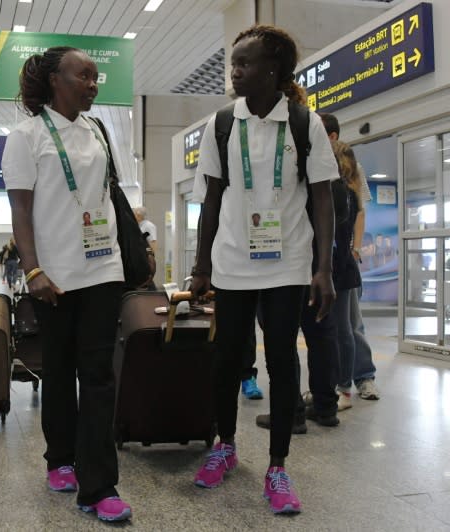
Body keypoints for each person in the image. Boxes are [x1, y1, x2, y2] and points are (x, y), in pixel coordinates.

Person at [189, 26, 338, 514]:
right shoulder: (220, 123)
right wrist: (200, 265)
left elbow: (321, 199)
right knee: (226, 359)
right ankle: (225, 446)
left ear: (273, 70)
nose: (235, 72)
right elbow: (211, 199)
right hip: (232, 261)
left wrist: (323, 269)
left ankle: (277, 466)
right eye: (233, 63)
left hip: (288, 262)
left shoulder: (303, 122)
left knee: (281, 359)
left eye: (245, 63)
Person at [2, 46, 132, 522]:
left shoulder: (96, 131)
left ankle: (99, 486)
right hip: (53, 275)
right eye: (84, 75)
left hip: (103, 267)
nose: (93, 84)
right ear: (55, 80)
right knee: (57, 370)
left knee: (98, 374)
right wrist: (32, 270)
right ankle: (59, 457)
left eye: (96, 77)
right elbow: (20, 210)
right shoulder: (26, 136)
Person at [319, 112, 379, 400]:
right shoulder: (316, 165)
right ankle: (336, 381)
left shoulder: (353, 168)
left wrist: (354, 249)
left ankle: (363, 377)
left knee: (351, 323)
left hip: (343, 259)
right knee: (335, 324)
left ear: (331, 136)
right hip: (324, 260)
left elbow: (359, 211)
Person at [329, 141, 365, 411]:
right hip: (341, 267)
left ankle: (344, 388)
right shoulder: (349, 193)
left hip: (340, 269)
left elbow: (337, 236)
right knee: (340, 329)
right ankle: (338, 385)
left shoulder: (343, 194)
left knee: (343, 329)